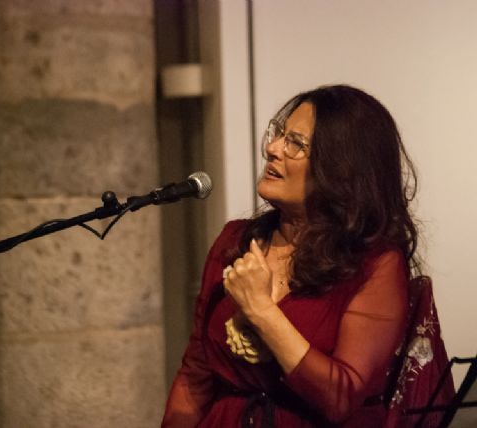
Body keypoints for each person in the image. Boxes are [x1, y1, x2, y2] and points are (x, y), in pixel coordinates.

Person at [162, 85, 442, 427]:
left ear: (341, 169)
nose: (272, 148)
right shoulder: (234, 241)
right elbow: (195, 377)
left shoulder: (375, 263)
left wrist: (261, 311)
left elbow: (340, 397)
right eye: (278, 134)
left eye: (295, 143)